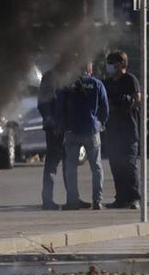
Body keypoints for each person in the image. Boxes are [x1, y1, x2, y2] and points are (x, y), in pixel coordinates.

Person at [56, 59, 109, 210]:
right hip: (91, 130)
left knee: (71, 168)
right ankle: (97, 201)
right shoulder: (97, 84)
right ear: (89, 69)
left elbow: (59, 108)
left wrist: (61, 125)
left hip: (71, 131)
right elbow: (105, 108)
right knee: (96, 167)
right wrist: (101, 124)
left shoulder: (66, 85)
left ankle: (72, 201)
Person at [102, 50, 142, 210]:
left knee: (129, 166)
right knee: (116, 166)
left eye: (112, 62)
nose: (110, 66)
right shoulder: (108, 83)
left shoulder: (130, 80)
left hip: (129, 131)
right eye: (109, 62)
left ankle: (134, 198)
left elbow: (137, 100)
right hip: (113, 131)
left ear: (122, 64)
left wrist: (125, 103)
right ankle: (121, 198)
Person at [37, 54, 69, 210]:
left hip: (67, 127)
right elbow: (43, 103)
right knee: (52, 164)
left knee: (69, 164)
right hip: (55, 128)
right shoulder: (50, 77)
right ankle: (47, 200)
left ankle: (72, 199)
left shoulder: (69, 76)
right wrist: (52, 122)